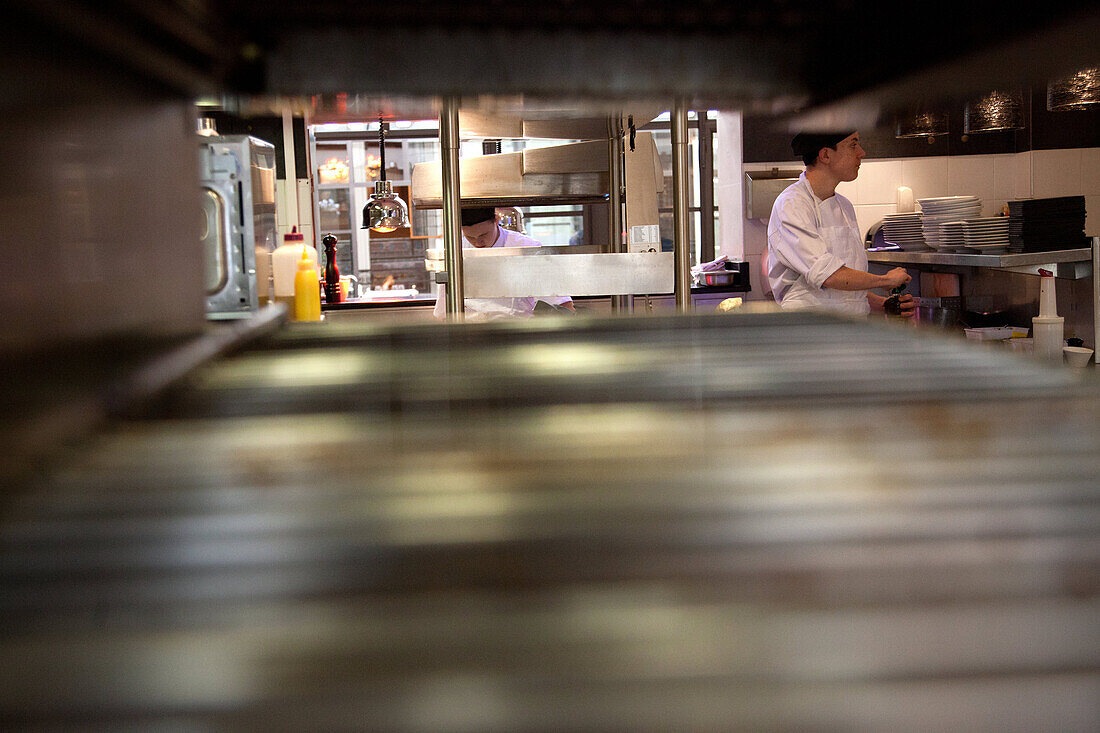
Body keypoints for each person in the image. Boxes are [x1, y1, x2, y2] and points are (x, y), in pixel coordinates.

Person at [766, 131, 915, 318]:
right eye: (853, 145)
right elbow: (827, 275)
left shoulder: (844, 206)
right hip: (810, 330)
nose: (862, 152)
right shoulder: (792, 204)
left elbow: (841, 290)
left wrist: (883, 304)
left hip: (849, 330)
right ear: (826, 155)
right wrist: (884, 280)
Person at [433, 207, 575, 320]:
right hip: (471, 334)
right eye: (470, 237)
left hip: (516, 333)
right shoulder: (454, 251)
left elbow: (562, 304)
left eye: (483, 235)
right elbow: (443, 312)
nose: (477, 242)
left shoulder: (526, 248)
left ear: (496, 219)